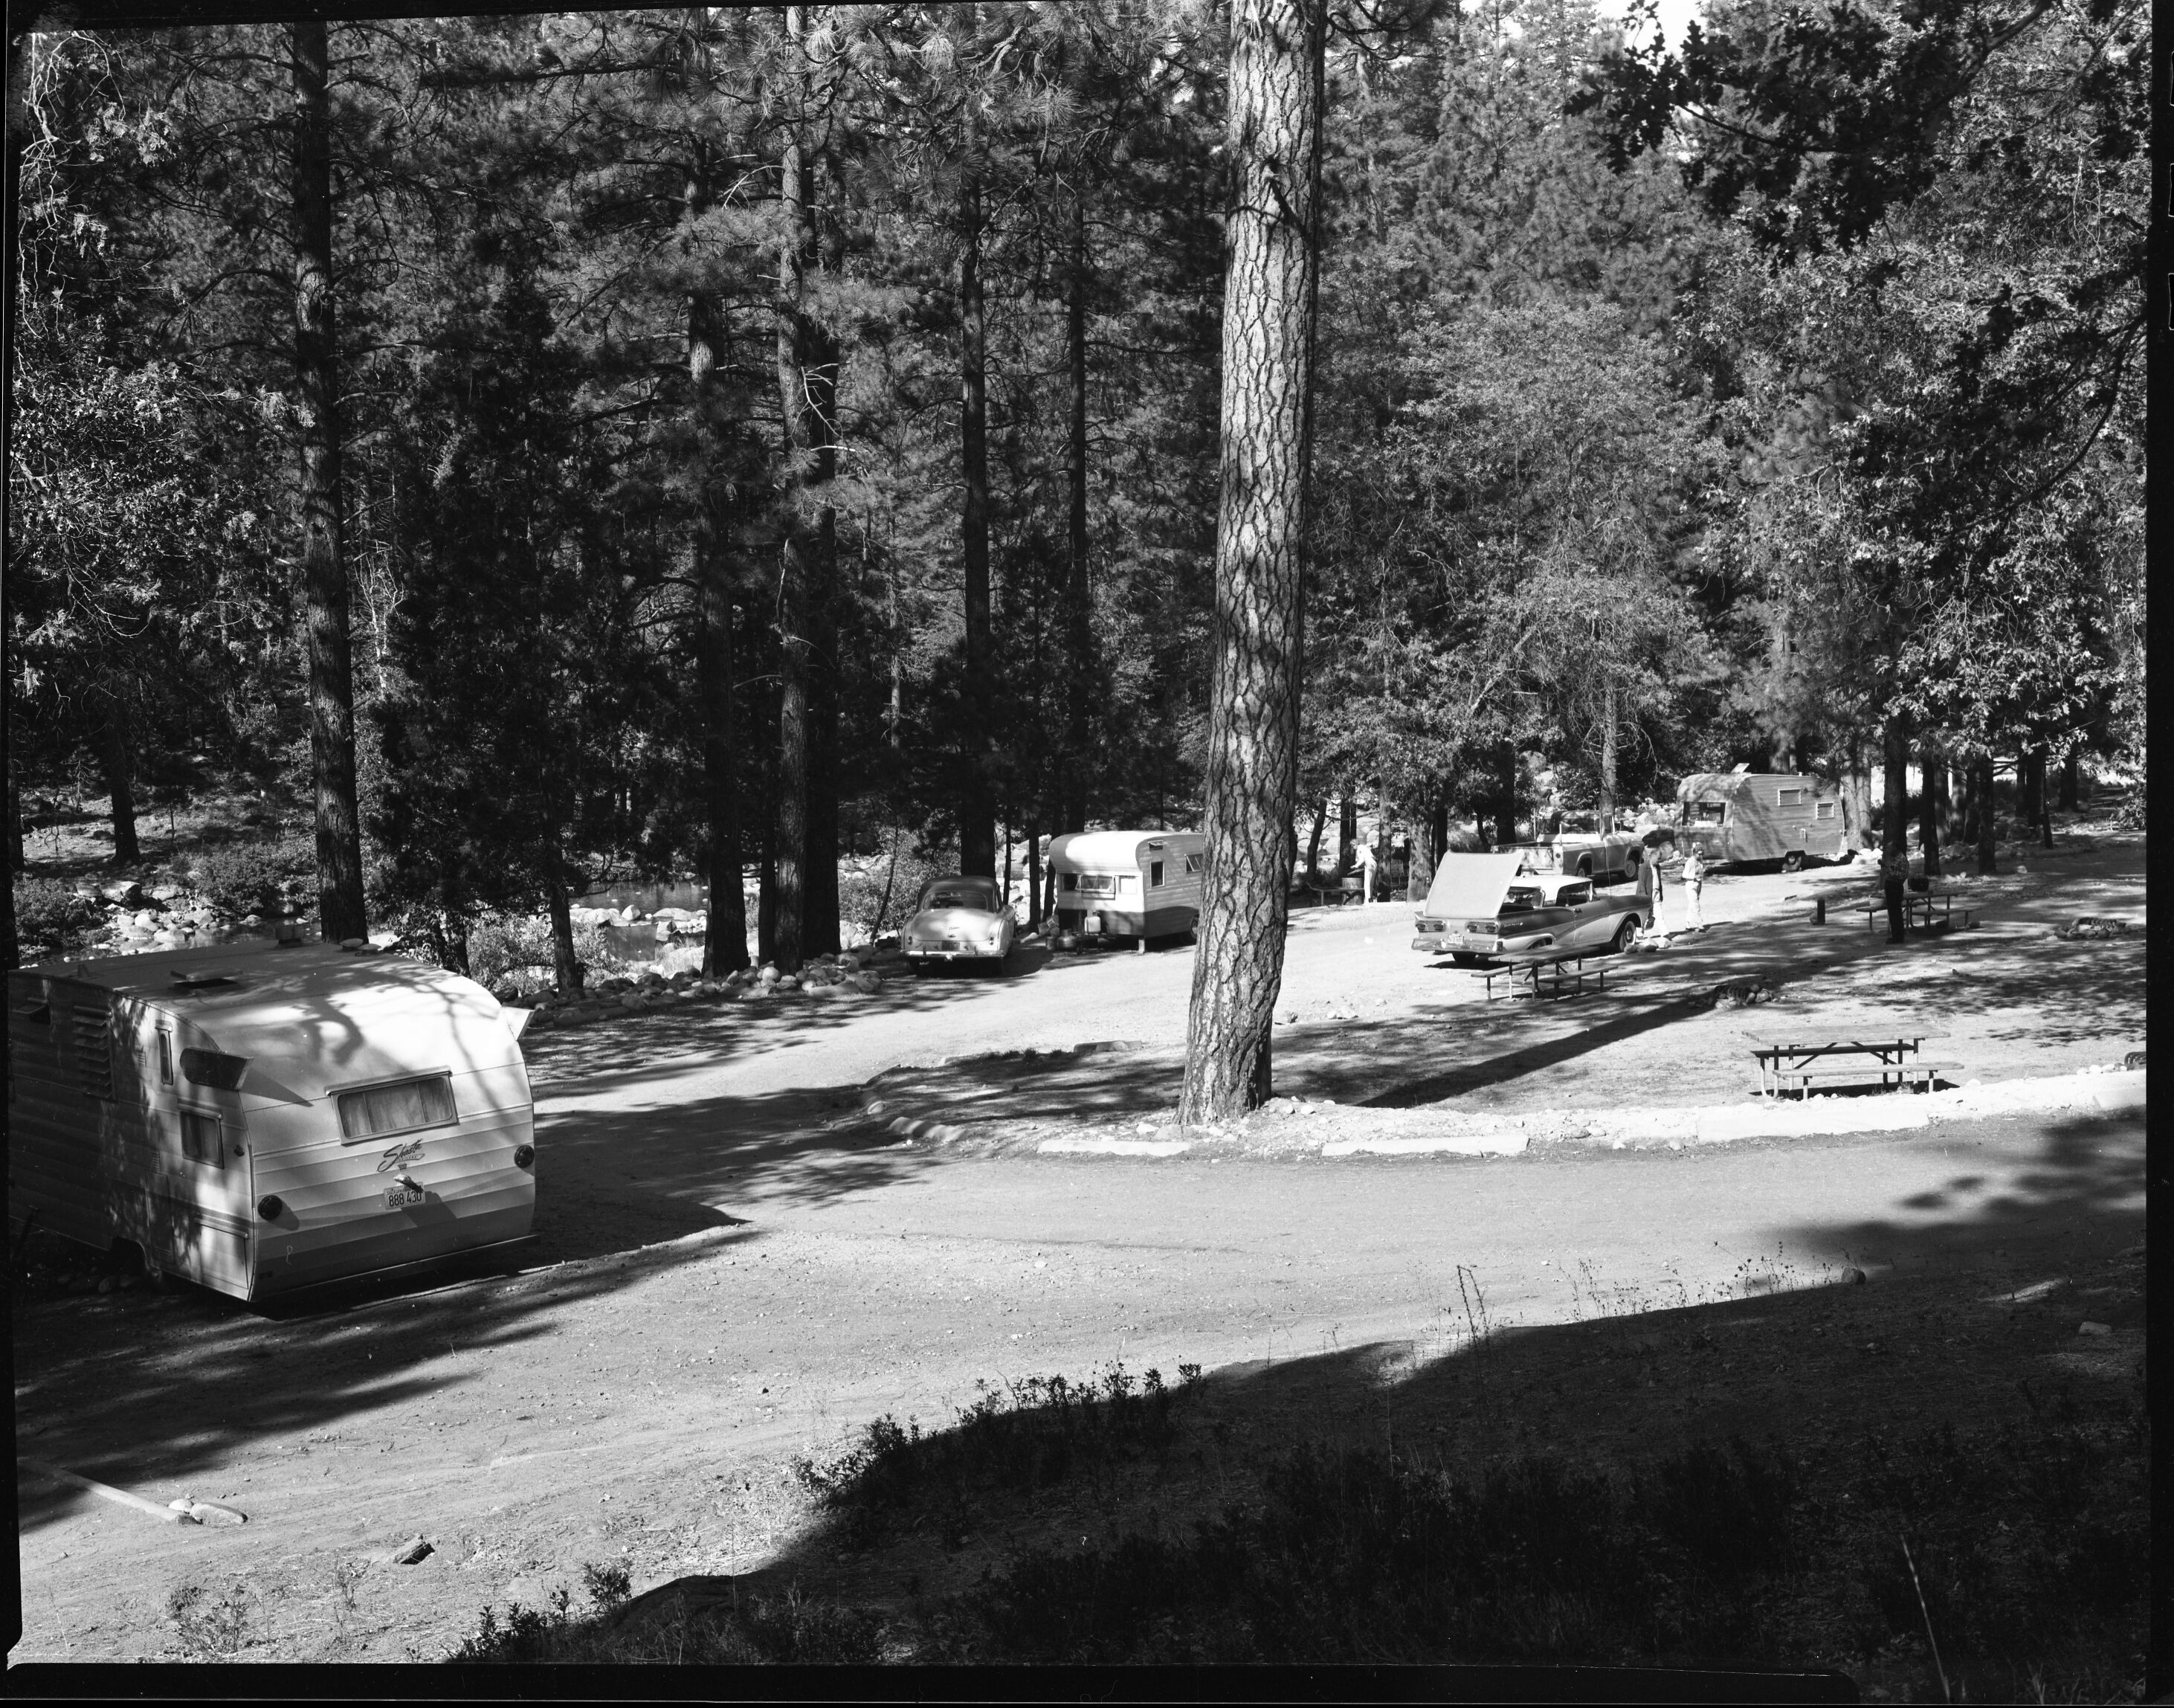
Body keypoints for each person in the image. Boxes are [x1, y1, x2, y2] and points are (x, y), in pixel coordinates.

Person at [1681, 845, 1706, 929]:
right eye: (1699, 854)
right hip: (1691, 885)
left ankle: (1687, 923)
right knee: (1696, 904)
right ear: (1694, 853)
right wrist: (1694, 877)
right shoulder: (1690, 862)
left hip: (1698, 884)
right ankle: (1699, 923)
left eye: (1702, 854)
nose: (1701, 856)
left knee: (1692, 904)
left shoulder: (1700, 860)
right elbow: (1684, 875)